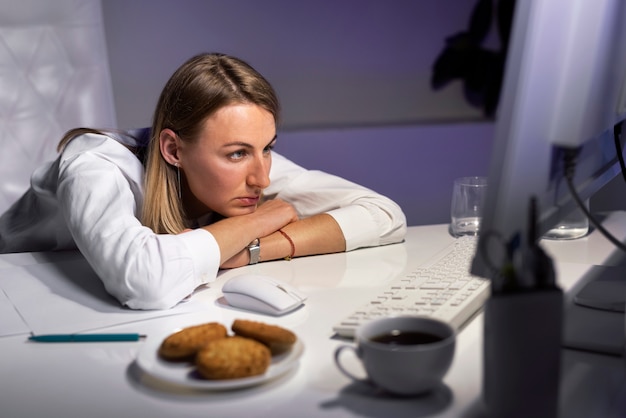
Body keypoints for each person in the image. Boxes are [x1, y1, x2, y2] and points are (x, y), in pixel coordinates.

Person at [0, 53, 407, 309]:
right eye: (237, 154)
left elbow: (385, 214)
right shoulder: (94, 165)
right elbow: (146, 282)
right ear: (174, 150)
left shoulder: (248, 163)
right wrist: (258, 220)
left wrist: (254, 249)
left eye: (267, 147)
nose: (262, 177)